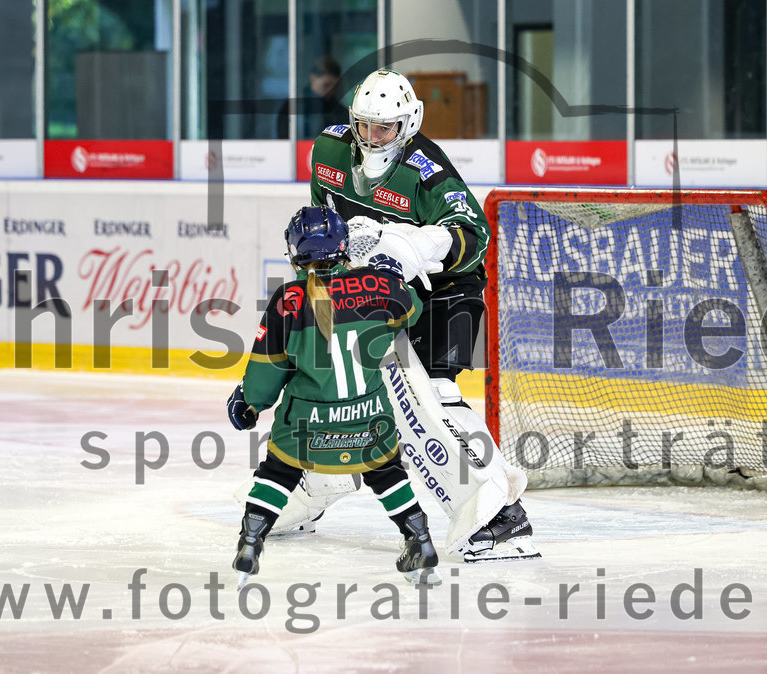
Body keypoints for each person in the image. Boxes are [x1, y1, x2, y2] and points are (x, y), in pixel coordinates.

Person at [298, 68, 538, 563]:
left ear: (407, 125)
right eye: (363, 125)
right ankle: (313, 487)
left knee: (435, 397)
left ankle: (502, 518)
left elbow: (475, 237)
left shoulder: (428, 170)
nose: (371, 137)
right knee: (340, 386)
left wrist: (415, 245)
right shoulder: (327, 153)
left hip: (449, 292)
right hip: (381, 291)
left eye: (383, 128)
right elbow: (328, 222)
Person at [227, 205, 441, 587]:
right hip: (368, 419)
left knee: (279, 471)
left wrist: (249, 401)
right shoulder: (378, 285)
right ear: (344, 246)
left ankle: (250, 543)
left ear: (295, 252)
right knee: (386, 470)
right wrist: (394, 280)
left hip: (308, 427)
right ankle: (418, 539)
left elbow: (268, 367)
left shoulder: (288, 300)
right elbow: (412, 309)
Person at [277, 55, 350, 140]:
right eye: (326, 85)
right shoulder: (293, 107)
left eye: (335, 86)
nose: (330, 90)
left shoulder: (341, 112)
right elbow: (284, 140)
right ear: (313, 79)